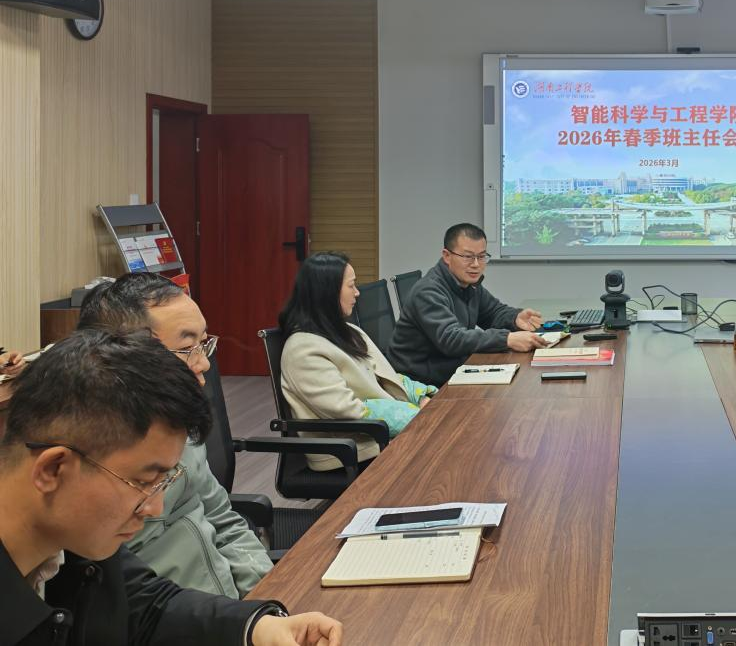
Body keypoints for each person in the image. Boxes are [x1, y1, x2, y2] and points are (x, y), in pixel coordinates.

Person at [1, 329, 342, 646]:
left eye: (163, 481)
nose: (155, 507)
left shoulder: (78, 538)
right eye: (143, 482)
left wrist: (256, 627)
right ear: (53, 470)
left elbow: (148, 606)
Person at [76, 273, 272, 598]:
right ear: (122, 354)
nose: (204, 363)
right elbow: (132, 601)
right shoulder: (94, 460)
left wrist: (267, 595)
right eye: (186, 348)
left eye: (204, 343)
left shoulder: (180, 426)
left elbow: (223, 520)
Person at [278, 252, 437, 472]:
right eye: (351, 286)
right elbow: (347, 411)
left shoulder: (348, 331)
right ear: (328, 292)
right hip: (351, 453)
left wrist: (421, 397)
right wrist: (416, 416)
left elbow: (387, 378)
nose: (357, 292)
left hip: (379, 439)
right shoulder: (303, 349)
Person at [390, 223, 546, 387]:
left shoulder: (468, 284)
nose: (476, 264)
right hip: (418, 383)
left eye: (481, 256)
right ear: (447, 256)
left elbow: (493, 312)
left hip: (450, 370)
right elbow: (451, 339)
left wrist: (515, 318)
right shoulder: (428, 291)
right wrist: (506, 339)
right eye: (468, 257)